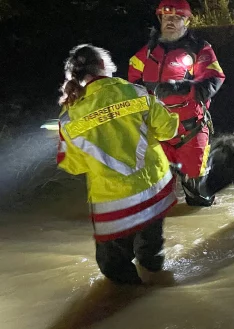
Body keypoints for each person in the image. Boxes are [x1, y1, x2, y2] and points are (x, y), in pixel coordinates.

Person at [57, 44, 180, 285]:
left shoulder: (69, 117)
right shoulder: (138, 93)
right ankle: (160, 299)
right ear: (104, 66)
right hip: (154, 191)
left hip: (114, 204)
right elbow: (169, 129)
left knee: (114, 267)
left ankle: (132, 309)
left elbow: (73, 166)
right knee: (151, 256)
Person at [128, 0, 225, 207]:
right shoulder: (146, 53)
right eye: (166, 17)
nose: (170, 22)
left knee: (199, 197)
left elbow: (214, 79)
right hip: (156, 131)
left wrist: (182, 87)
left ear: (187, 22)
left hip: (190, 130)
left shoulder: (200, 49)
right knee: (151, 196)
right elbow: (131, 83)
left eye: (177, 18)